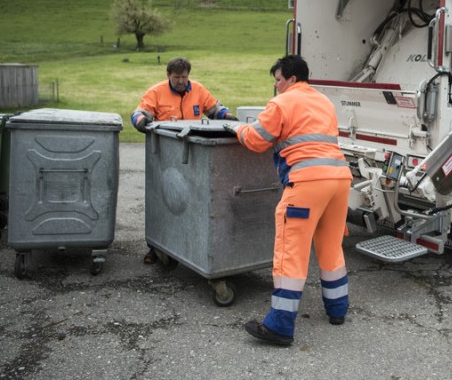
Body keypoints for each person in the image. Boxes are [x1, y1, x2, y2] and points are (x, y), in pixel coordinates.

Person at [227, 54, 352, 346]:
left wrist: (235, 128)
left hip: (307, 183)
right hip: (340, 180)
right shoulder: (324, 101)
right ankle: (337, 310)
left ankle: (280, 326)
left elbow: (255, 139)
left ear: (292, 79)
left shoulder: (282, 102)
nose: (276, 85)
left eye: (278, 80)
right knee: (331, 247)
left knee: (290, 252)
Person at [131, 56, 236, 264]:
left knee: (191, 203)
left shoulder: (197, 89)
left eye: (184, 77)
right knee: (162, 201)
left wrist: (228, 117)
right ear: (168, 75)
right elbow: (138, 113)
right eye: (177, 77)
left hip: (191, 157)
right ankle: (156, 247)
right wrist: (142, 122)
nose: (181, 81)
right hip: (165, 156)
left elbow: (215, 108)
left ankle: (188, 246)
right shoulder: (156, 92)